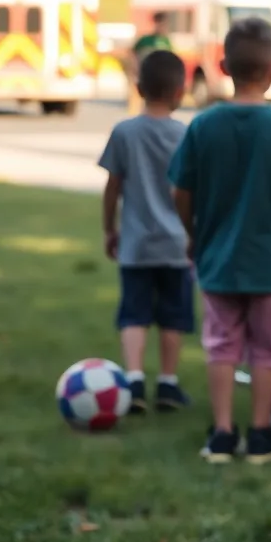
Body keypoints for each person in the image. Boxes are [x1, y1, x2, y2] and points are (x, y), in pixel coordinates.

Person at [169, 16, 271, 464]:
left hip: (217, 260)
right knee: (270, 349)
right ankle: (263, 433)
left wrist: (194, 234)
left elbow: (181, 190)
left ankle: (223, 434)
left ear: (225, 65)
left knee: (221, 345)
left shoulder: (202, 126)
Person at [99, 49, 193, 415]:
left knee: (134, 314)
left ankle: (134, 379)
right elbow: (190, 190)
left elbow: (112, 187)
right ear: (180, 92)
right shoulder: (186, 135)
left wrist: (110, 228)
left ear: (138, 88)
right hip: (176, 246)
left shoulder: (124, 132)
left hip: (135, 244)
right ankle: (167, 383)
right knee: (173, 315)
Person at [127, 12, 172, 114]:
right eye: (160, 24)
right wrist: (135, 68)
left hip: (160, 78)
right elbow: (133, 54)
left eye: (164, 24)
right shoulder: (145, 40)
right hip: (144, 76)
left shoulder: (166, 42)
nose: (162, 27)